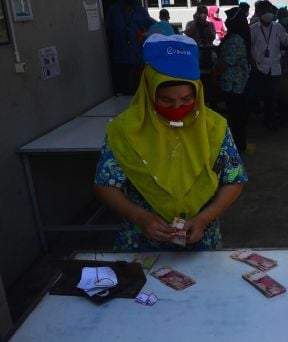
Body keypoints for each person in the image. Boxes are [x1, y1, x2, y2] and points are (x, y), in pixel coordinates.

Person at [94, 34, 247, 250]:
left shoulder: (214, 126)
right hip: (142, 242)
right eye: (166, 100)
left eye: (186, 100)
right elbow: (105, 186)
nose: (177, 107)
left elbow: (234, 180)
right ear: (148, 92)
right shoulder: (126, 129)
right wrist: (141, 217)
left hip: (201, 238)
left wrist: (203, 219)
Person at [247, 1, 288, 130]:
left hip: (274, 68)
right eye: (264, 12)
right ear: (258, 13)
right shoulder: (253, 29)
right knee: (253, 95)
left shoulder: (278, 28)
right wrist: (252, 61)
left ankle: (270, 122)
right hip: (258, 68)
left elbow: (287, 40)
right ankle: (250, 121)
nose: (268, 14)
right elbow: (247, 47)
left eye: (269, 11)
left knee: (272, 97)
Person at [105, 0, 155, 95]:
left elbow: (152, 28)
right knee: (122, 91)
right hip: (120, 57)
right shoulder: (114, 10)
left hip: (138, 56)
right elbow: (108, 33)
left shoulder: (141, 11)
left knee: (139, 89)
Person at [217, 7, 250, 152]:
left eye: (229, 18)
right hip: (236, 84)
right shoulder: (237, 36)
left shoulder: (235, 39)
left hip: (234, 85)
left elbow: (227, 61)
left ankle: (238, 145)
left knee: (236, 116)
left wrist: (214, 74)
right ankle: (239, 143)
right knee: (237, 116)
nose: (226, 21)